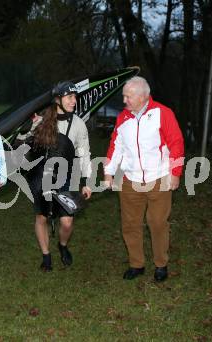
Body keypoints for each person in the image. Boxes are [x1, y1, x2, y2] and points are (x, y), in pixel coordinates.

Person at [104, 76, 184, 282]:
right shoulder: (123, 118)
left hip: (158, 177)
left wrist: (175, 173)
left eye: (128, 96)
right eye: (124, 96)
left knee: (157, 222)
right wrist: (108, 172)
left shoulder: (162, 113)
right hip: (130, 179)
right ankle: (136, 264)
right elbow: (116, 147)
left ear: (143, 96)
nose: (124, 101)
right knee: (130, 223)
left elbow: (176, 143)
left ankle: (161, 264)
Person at [27, 81, 92, 272]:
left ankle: (62, 246)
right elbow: (24, 142)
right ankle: (46, 256)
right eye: (70, 97)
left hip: (67, 175)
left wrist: (87, 182)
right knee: (42, 217)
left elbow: (85, 154)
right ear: (58, 99)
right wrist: (27, 129)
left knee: (67, 220)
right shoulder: (42, 121)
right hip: (42, 174)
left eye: (75, 97)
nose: (74, 101)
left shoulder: (79, 124)